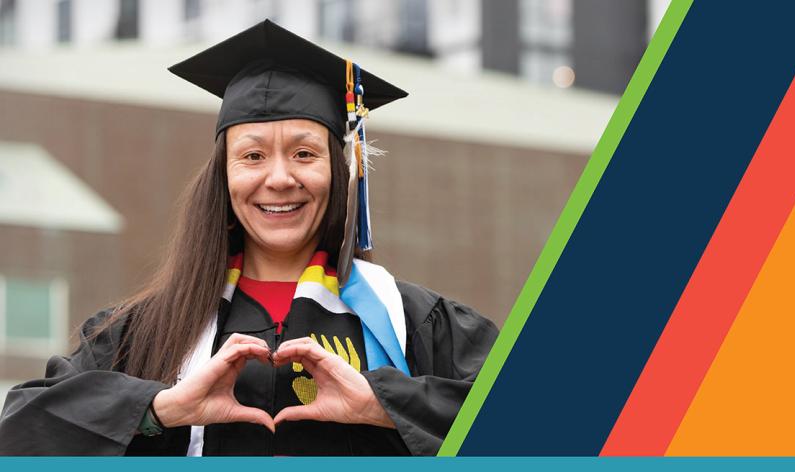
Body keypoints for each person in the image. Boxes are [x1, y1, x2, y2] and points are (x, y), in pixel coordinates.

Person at [0, 20, 497, 456]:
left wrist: (387, 405)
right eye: (253, 156)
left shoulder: (414, 324)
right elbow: (20, 433)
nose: (279, 178)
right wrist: (158, 409)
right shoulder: (147, 331)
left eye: (304, 154)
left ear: (340, 172)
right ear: (223, 177)